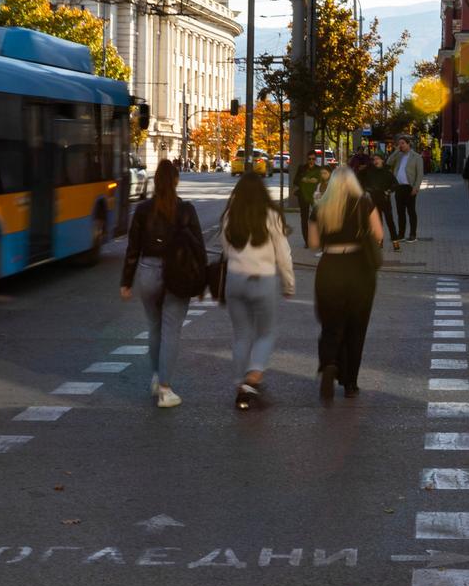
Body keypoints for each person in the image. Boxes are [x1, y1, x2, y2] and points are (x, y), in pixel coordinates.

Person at [120, 160, 206, 409]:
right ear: (177, 181)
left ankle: (157, 378)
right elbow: (199, 248)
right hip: (177, 273)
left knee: (154, 327)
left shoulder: (143, 210)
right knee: (171, 330)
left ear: (155, 182)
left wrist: (126, 281)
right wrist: (201, 283)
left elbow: (133, 248)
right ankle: (166, 390)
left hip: (147, 271)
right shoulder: (186, 210)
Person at [220, 172, 297, 410]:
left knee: (241, 334)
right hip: (262, 279)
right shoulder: (271, 215)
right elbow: (283, 254)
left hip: (234, 279)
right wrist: (288, 283)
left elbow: (224, 247)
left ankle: (239, 383)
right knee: (266, 332)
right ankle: (253, 377)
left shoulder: (230, 215)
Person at [308, 166, 385, 400]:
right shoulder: (364, 202)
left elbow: (313, 243)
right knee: (356, 327)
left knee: (331, 323)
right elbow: (379, 235)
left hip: (330, 266)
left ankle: (330, 362)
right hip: (359, 269)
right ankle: (350, 383)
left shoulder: (320, 205)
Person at [357, 153, 400, 248]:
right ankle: (379, 241)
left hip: (384, 199)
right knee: (377, 221)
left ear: (382, 160)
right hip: (373, 199)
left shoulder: (387, 172)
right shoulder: (369, 171)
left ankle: (395, 241)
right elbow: (359, 177)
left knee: (390, 221)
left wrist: (388, 191)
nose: (375, 161)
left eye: (377, 159)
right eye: (374, 159)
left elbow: (395, 184)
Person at [390, 134, 427, 242]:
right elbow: (388, 163)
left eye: (402, 143)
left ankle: (412, 234)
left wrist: (416, 188)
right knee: (400, 212)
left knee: (411, 212)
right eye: (399, 144)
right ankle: (401, 234)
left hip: (409, 188)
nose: (400, 145)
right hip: (399, 187)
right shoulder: (398, 155)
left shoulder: (417, 157)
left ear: (408, 144)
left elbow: (420, 174)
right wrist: (396, 151)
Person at [294, 158, 330, 231]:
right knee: (308, 219)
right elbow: (296, 180)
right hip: (308, 199)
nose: (311, 160)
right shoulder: (302, 169)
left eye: (325, 173)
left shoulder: (331, 183)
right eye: (309, 158)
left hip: (327, 210)